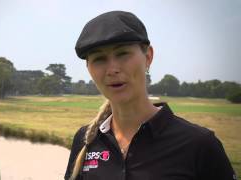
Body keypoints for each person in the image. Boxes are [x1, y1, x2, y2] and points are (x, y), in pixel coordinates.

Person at [64, 11, 237, 180]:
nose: (112, 69)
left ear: (148, 57)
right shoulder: (85, 139)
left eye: (122, 54)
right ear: (89, 69)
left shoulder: (200, 145)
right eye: (99, 59)